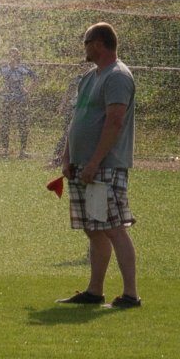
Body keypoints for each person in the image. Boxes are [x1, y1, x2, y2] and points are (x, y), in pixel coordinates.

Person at [56, 24, 139, 308]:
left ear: (99, 44)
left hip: (105, 166)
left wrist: (93, 162)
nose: (84, 47)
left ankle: (130, 294)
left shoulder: (117, 76)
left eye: (86, 42)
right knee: (94, 229)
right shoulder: (89, 78)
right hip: (83, 165)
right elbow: (77, 119)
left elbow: (114, 121)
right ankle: (95, 291)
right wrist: (68, 158)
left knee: (115, 227)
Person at [0, 45, 38, 158]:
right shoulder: (4, 68)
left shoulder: (23, 68)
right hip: (6, 99)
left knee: (22, 124)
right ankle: (5, 150)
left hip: (20, 99)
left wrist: (28, 91)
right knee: (5, 124)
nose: (13, 56)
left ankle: (23, 151)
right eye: (11, 54)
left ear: (18, 56)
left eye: (15, 53)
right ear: (8, 56)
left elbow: (36, 78)